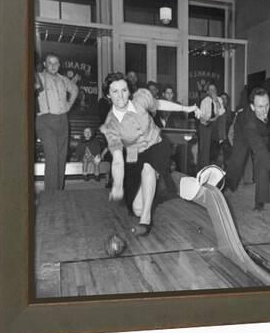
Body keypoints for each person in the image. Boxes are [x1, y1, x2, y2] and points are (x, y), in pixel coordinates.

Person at [100, 72, 200, 236]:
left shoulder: (140, 98)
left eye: (124, 90)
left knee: (148, 167)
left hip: (157, 144)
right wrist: (117, 185)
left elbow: (159, 104)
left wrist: (185, 108)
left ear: (129, 91)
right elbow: (117, 159)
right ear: (108, 95)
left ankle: (146, 221)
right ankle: (153, 191)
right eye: (115, 91)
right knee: (137, 208)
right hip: (134, 155)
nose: (121, 96)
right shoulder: (111, 126)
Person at [226, 88, 270, 212]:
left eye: (267, 105)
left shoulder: (269, 108)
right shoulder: (248, 123)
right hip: (242, 130)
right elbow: (259, 149)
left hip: (261, 130)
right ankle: (225, 184)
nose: (265, 110)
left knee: (262, 161)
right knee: (237, 161)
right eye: (260, 107)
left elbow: (262, 153)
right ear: (252, 107)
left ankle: (260, 202)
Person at [35, 53, 78, 191]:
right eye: (50, 63)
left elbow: (75, 89)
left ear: (59, 65)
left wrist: (69, 105)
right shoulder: (38, 77)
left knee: (61, 157)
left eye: (56, 63)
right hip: (45, 120)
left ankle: (59, 193)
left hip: (62, 120)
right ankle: (51, 195)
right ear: (44, 64)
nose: (53, 66)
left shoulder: (63, 79)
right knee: (52, 158)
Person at [198, 83, 225, 169]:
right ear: (208, 92)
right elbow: (202, 116)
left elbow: (221, 112)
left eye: (214, 89)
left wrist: (216, 101)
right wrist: (210, 119)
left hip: (217, 126)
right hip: (207, 124)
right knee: (206, 150)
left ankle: (215, 166)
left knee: (215, 150)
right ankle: (205, 167)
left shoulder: (219, 100)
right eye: (211, 90)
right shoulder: (204, 101)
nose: (213, 91)